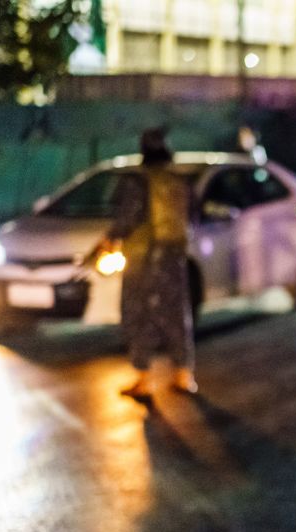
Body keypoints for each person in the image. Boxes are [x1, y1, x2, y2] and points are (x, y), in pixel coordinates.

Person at [106, 127, 197, 399]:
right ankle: (184, 375)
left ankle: (144, 379)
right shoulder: (177, 180)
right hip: (174, 256)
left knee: (139, 314)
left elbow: (128, 217)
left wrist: (111, 238)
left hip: (143, 257)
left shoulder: (137, 181)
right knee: (175, 312)